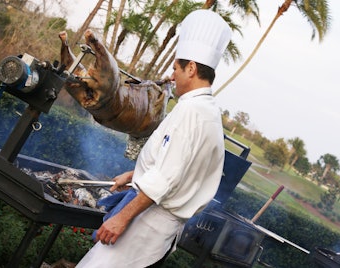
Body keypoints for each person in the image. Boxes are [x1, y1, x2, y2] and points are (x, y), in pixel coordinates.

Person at [76, 9, 232, 267]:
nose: (172, 77)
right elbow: (179, 166)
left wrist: (121, 218)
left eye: (176, 69)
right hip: (159, 227)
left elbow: (166, 177)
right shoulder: (209, 112)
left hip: (146, 225)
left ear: (191, 68)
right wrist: (135, 174)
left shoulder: (191, 111)